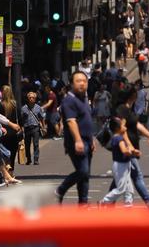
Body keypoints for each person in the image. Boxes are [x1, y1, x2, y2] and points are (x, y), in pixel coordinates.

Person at [115, 86, 149, 209]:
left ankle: (108, 203)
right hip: (126, 148)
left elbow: (137, 124)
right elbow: (122, 130)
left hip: (129, 147)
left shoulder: (128, 110)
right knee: (136, 175)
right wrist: (130, 145)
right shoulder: (122, 109)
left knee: (123, 176)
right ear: (132, 96)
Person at [56, 71, 96, 205]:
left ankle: (83, 204)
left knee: (85, 175)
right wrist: (78, 140)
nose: (82, 83)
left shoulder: (83, 98)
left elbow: (87, 120)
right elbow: (71, 121)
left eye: (84, 81)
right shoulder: (69, 100)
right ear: (72, 84)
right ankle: (61, 190)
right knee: (83, 171)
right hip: (76, 142)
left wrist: (91, 139)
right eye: (78, 81)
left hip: (86, 140)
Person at [99, 117, 138, 207]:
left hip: (125, 165)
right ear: (118, 128)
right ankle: (104, 202)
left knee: (129, 188)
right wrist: (132, 152)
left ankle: (128, 204)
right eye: (123, 126)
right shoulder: (118, 139)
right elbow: (124, 151)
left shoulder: (116, 138)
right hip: (121, 166)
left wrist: (132, 151)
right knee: (121, 188)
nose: (126, 128)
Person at [0, 85, 20, 176]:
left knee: (3, 152)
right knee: (13, 152)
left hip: (3, 131)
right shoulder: (15, 105)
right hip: (14, 131)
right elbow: (20, 118)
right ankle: (11, 172)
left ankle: (6, 168)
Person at [20, 91, 45, 166]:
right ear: (27, 98)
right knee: (27, 145)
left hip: (35, 127)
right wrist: (21, 128)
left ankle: (36, 159)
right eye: (30, 97)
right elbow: (21, 119)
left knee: (36, 144)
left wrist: (44, 126)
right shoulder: (24, 108)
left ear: (35, 99)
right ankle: (29, 159)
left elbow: (41, 118)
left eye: (33, 98)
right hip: (27, 128)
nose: (31, 99)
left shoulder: (38, 107)